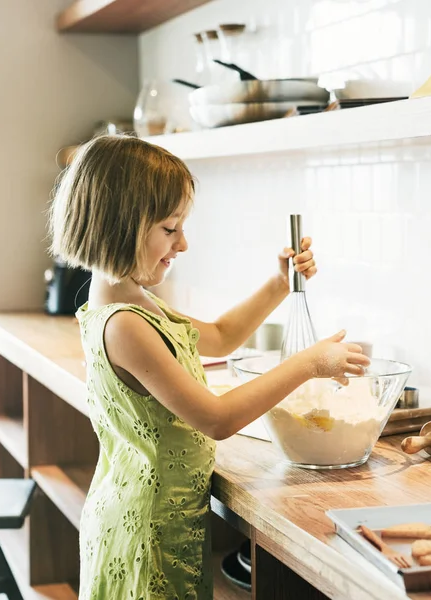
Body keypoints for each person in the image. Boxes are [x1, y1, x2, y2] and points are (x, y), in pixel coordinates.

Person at [48, 135, 370, 600]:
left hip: (150, 514)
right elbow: (217, 420)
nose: (183, 242)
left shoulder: (130, 298)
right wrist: (311, 363)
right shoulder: (125, 325)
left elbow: (219, 336)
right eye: (169, 228)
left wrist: (278, 284)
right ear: (120, 226)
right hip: (148, 530)